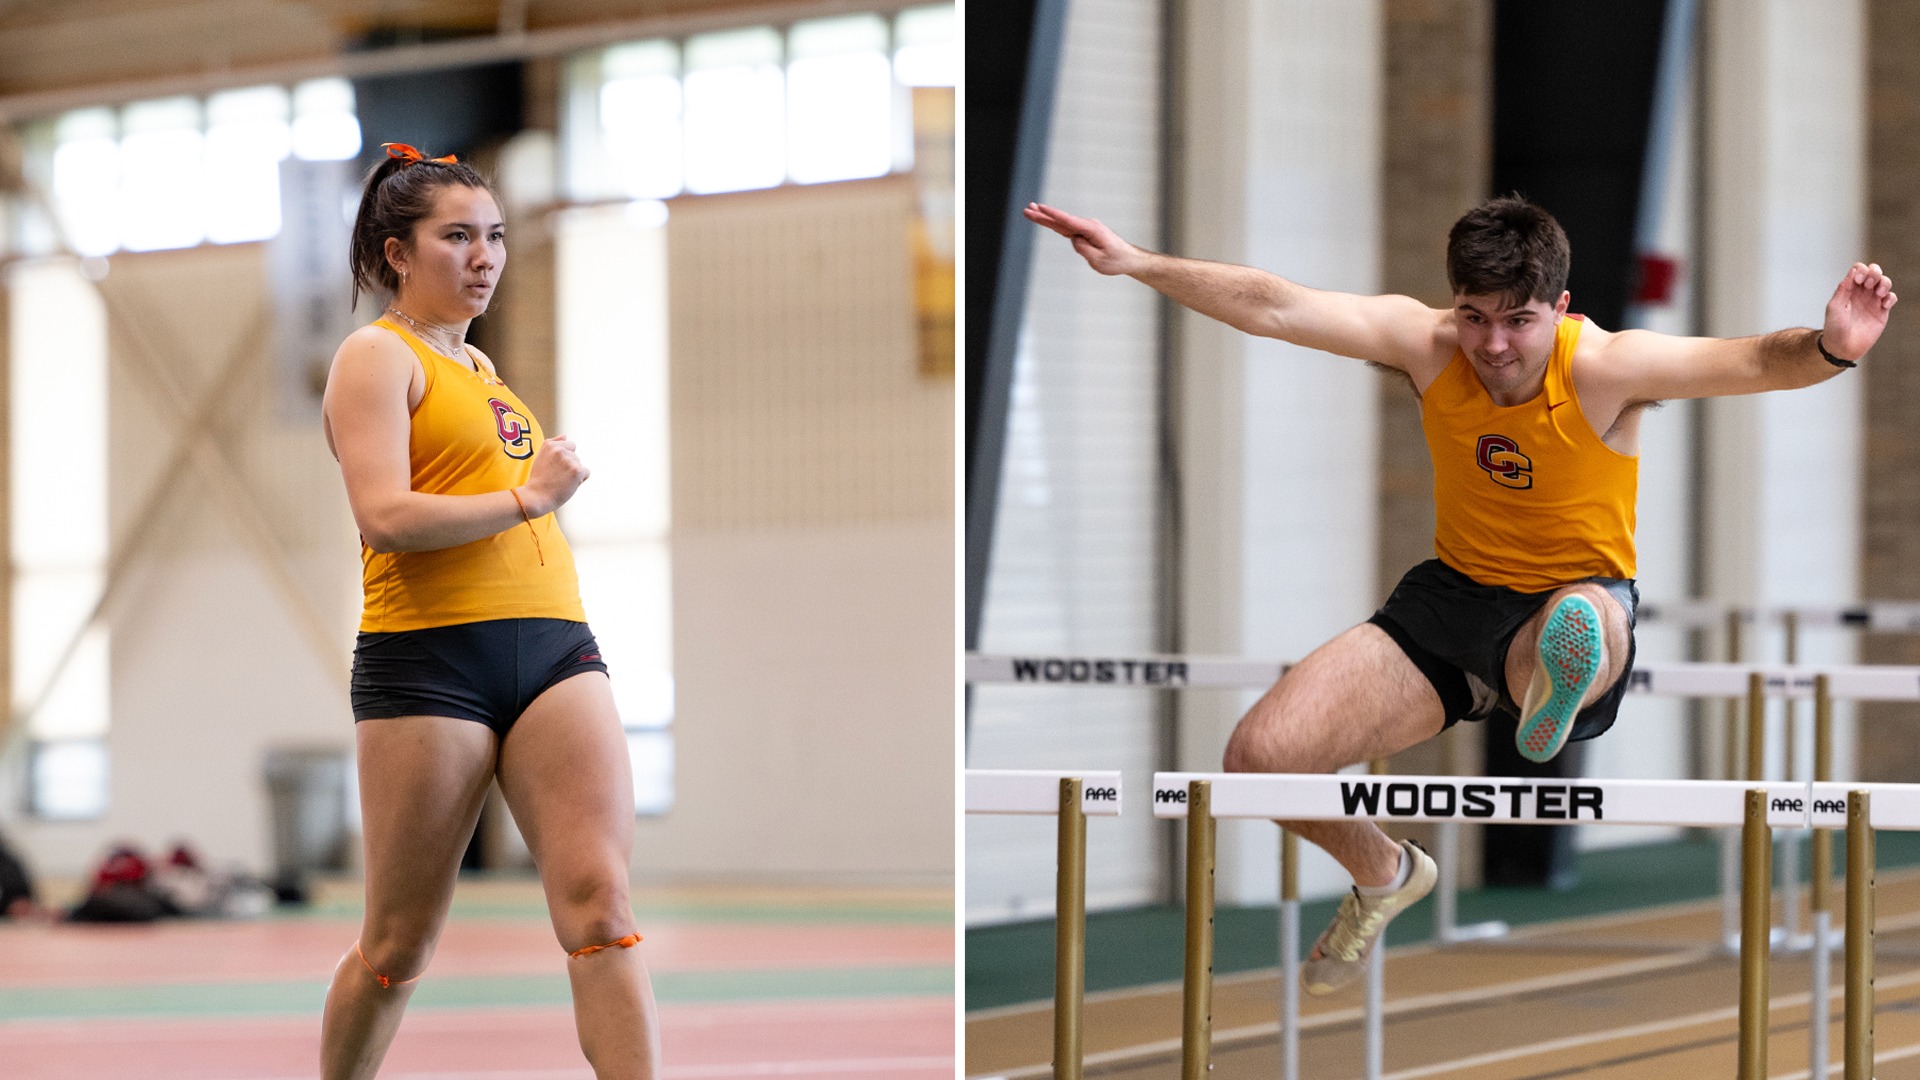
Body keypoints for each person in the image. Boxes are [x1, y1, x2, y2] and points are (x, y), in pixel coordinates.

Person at [1026, 194, 1896, 994]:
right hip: (1446, 602)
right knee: (1261, 759)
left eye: (1517, 323)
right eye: (1474, 318)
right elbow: (1276, 304)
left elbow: (1751, 359)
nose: (1491, 347)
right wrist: (1139, 262)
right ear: (1454, 306)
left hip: (1572, 596)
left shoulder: (1608, 367)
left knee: (1579, 621)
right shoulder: (1426, 342)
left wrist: (1830, 347)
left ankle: (1549, 680)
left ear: (1558, 310)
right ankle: (1386, 873)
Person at [319, 143, 660, 1078]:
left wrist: (534, 501)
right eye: (457, 236)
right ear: (397, 252)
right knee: (398, 944)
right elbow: (384, 517)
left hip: (555, 649)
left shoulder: (478, 364)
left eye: (496, 236)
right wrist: (530, 498)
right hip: (428, 660)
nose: (485, 257)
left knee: (601, 906)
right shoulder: (373, 358)